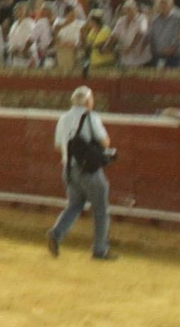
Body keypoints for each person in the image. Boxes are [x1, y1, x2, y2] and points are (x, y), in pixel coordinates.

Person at [47, 86, 117, 261]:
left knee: (74, 205)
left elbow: (58, 146)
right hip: (89, 170)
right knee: (100, 209)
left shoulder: (63, 118)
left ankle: (56, 233)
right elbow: (105, 142)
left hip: (69, 170)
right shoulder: (91, 117)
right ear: (88, 102)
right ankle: (100, 249)